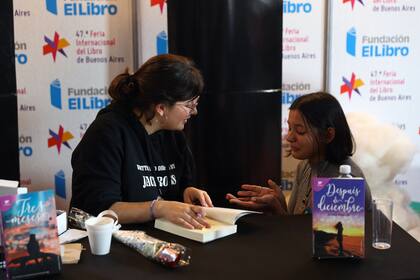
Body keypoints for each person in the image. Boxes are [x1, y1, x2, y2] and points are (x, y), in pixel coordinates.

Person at [71, 54, 213, 229]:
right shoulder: (107, 132)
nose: (194, 112)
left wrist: (185, 192)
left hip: (162, 240)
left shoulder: (173, 134)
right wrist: (156, 208)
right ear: (161, 108)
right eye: (189, 106)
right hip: (111, 247)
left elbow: (178, 186)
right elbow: (100, 209)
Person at [226, 91, 372, 214]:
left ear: (328, 135)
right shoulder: (304, 166)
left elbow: (329, 245)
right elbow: (296, 228)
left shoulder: (342, 184)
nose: (289, 137)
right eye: (289, 128)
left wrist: (279, 211)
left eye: (300, 130)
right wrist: (278, 204)